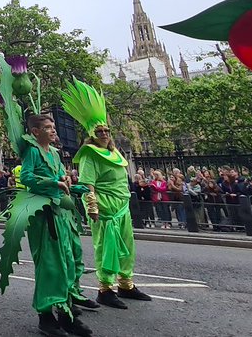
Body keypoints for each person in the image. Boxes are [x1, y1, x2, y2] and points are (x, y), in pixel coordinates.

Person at [64, 80, 151, 310]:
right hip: (104, 208)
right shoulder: (90, 155)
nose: (103, 134)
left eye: (106, 130)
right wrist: (91, 205)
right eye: (99, 131)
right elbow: (87, 183)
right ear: (91, 134)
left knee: (126, 246)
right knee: (106, 247)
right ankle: (105, 289)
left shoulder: (114, 152)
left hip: (121, 207)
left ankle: (126, 284)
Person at [17, 114, 93, 337]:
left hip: (61, 212)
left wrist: (73, 186)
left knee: (68, 261)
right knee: (51, 266)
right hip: (44, 214)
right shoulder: (32, 152)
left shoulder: (55, 154)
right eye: (48, 127)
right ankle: (46, 316)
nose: (53, 130)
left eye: (53, 127)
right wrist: (52, 183)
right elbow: (27, 178)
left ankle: (65, 313)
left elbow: (62, 179)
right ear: (35, 132)